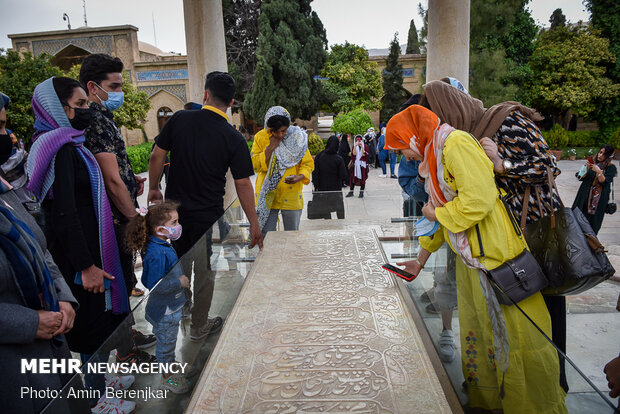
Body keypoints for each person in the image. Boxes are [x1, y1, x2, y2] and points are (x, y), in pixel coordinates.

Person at [387, 105, 567, 413]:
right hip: (473, 263)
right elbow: (442, 219)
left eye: (401, 147)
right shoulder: (434, 158)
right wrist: (419, 260)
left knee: (519, 339)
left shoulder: (456, 144)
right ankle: (491, 402)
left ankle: (530, 405)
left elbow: (479, 200)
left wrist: (437, 212)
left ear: (415, 136)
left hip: (497, 260)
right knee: (481, 335)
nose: (403, 156)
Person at [422, 78, 570, 392]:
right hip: (506, 236)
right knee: (514, 313)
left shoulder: (506, 121)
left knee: (546, 307)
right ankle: (504, 381)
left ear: (451, 109)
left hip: (537, 228)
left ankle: (553, 383)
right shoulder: (466, 137)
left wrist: (502, 164)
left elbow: (549, 166)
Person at [26, 77, 136, 414]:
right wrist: (85, 266)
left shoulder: (69, 144)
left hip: (89, 252)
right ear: (58, 109)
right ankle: (96, 399)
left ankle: (99, 386)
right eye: (80, 105)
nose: (87, 110)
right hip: (82, 259)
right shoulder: (59, 149)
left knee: (98, 324)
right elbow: (63, 213)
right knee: (91, 329)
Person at [148, 71, 263, 342]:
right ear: (232, 102)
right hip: (206, 217)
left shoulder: (179, 118)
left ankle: (181, 312)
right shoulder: (232, 136)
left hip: (172, 215)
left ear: (205, 95)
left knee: (176, 266)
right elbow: (243, 183)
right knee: (205, 271)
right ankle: (199, 324)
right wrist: (254, 223)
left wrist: (154, 187)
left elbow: (156, 155)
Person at [79, 55, 157, 349]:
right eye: (113, 86)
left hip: (116, 215)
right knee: (120, 283)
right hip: (112, 221)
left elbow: (115, 174)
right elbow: (110, 180)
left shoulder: (103, 118)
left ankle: (127, 339)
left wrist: (129, 179)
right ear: (93, 86)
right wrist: (134, 218)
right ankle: (125, 347)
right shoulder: (96, 121)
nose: (118, 93)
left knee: (124, 281)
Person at [125, 202, 190, 393]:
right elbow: (154, 284)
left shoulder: (160, 245)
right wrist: (180, 283)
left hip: (171, 307)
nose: (178, 226)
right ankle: (166, 378)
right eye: (174, 222)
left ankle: (169, 365)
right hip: (165, 311)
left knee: (168, 342)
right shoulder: (157, 252)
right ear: (159, 229)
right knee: (165, 346)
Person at [251, 106, 314, 237]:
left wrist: (300, 176)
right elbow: (254, 165)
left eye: (284, 131)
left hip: (291, 194)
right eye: (275, 131)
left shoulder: (297, 137)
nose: (280, 135)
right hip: (267, 195)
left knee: (292, 237)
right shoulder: (260, 137)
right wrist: (270, 148)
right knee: (267, 236)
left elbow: (307, 164)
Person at [573, 145, 616, 235]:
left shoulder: (611, 168)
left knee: (592, 225)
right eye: (600, 152)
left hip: (597, 203)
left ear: (608, 156)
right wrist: (586, 169)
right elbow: (579, 176)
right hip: (583, 198)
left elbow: (605, 182)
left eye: (604, 154)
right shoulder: (591, 163)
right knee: (576, 221)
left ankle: (591, 246)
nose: (600, 155)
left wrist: (599, 172)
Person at [311, 135, 347, 219]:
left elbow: (315, 173)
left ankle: (329, 226)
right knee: (339, 209)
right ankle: (341, 225)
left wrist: (316, 185)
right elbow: (343, 175)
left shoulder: (319, 156)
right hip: (335, 190)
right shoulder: (338, 159)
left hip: (322, 190)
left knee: (326, 211)